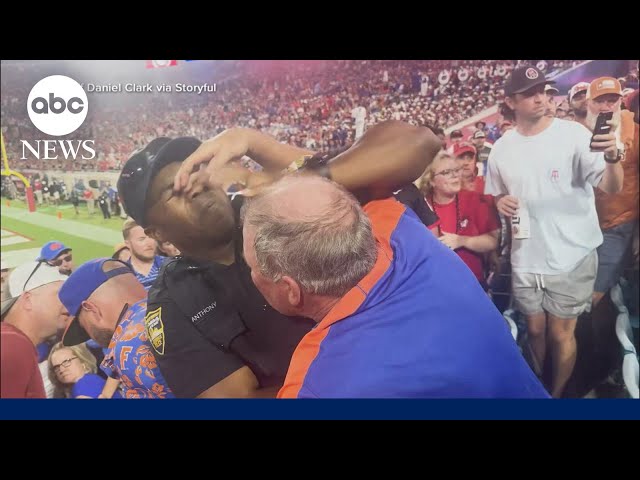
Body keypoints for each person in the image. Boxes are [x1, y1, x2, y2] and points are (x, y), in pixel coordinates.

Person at [118, 121, 441, 398]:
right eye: (174, 190)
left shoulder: (279, 203)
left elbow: (419, 143)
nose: (195, 186)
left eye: (196, 171)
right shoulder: (173, 301)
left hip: (432, 365)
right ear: (156, 233)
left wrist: (256, 143)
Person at [241, 175, 548, 398]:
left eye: (251, 265)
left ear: (291, 290)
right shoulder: (397, 222)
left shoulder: (315, 386)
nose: (251, 274)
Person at [484, 65, 624, 398]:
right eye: (529, 94)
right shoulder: (501, 148)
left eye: (543, 92)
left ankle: (556, 395)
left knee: (563, 334)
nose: (540, 99)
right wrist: (501, 202)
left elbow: (612, 186)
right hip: (526, 255)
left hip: (571, 254)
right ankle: (537, 386)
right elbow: (498, 195)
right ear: (510, 102)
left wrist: (613, 158)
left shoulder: (573, 134)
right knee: (534, 330)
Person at [59, 258, 174, 399]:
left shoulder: (130, 345)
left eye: (84, 327)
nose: (90, 335)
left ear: (92, 309)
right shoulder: (174, 302)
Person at [585, 77, 639, 308]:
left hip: (618, 223)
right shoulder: (575, 134)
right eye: (600, 101)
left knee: (593, 296)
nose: (606, 107)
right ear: (588, 103)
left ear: (621, 102)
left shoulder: (635, 133)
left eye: (612, 100)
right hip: (581, 227)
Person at [421, 152, 500, 288]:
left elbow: (492, 241)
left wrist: (462, 241)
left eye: (456, 170)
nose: (454, 175)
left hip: (472, 283)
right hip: (435, 284)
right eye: (446, 172)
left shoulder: (475, 200)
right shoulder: (421, 206)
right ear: (432, 180)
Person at [1, 261, 68, 398]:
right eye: (61, 293)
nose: (68, 302)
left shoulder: (13, 341)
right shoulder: (12, 343)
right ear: (27, 300)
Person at [47, 342, 122, 398]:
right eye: (56, 367)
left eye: (66, 362)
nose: (61, 369)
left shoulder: (84, 384)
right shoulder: (90, 380)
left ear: (83, 362)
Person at [121, 218, 166, 290]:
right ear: (128, 244)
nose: (149, 243)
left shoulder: (171, 266)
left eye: (151, 237)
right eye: (142, 239)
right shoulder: (123, 275)